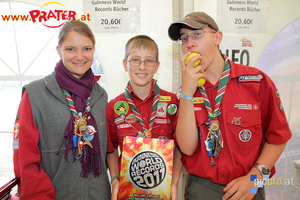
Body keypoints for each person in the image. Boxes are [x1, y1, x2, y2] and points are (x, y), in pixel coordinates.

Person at [168, 12, 292, 200]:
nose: (189, 43)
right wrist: (186, 92)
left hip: (250, 187)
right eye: (184, 38)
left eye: (197, 34)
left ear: (217, 38)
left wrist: (256, 179)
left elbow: (279, 137)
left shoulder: (256, 82)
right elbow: (187, 148)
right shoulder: (185, 92)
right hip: (200, 189)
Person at [13, 20, 112, 199]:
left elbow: (107, 152)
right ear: (58, 50)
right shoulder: (35, 94)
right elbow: (24, 160)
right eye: (70, 49)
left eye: (87, 49)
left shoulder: (100, 96)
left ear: (94, 49)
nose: (80, 56)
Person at [106, 35, 183, 200]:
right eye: (135, 60)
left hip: (163, 190)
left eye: (149, 61)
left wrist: (174, 183)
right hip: (127, 191)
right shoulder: (114, 106)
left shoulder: (172, 103)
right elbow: (111, 149)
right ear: (125, 64)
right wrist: (114, 180)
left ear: (157, 66)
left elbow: (180, 147)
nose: (142, 66)